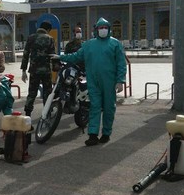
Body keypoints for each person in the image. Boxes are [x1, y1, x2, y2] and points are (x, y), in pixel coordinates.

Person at [60, 17, 127, 146]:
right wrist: (60, 57)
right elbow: (75, 56)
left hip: (109, 82)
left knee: (108, 108)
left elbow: (121, 63)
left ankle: (106, 133)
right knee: (94, 107)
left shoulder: (115, 44)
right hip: (93, 82)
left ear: (109, 29)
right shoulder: (88, 45)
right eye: (101, 28)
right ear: (96, 30)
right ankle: (93, 135)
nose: (103, 30)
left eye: (105, 28)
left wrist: (120, 81)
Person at [20, 21, 55, 116]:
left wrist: (23, 70)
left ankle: (27, 113)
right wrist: (55, 69)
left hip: (34, 71)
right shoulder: (50, 39)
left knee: (32, 92)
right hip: (46, 71)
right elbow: (53, 56)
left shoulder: (31, 38)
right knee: (47, 93)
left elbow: (25, 54)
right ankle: (47, 114)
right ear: (48, 30)